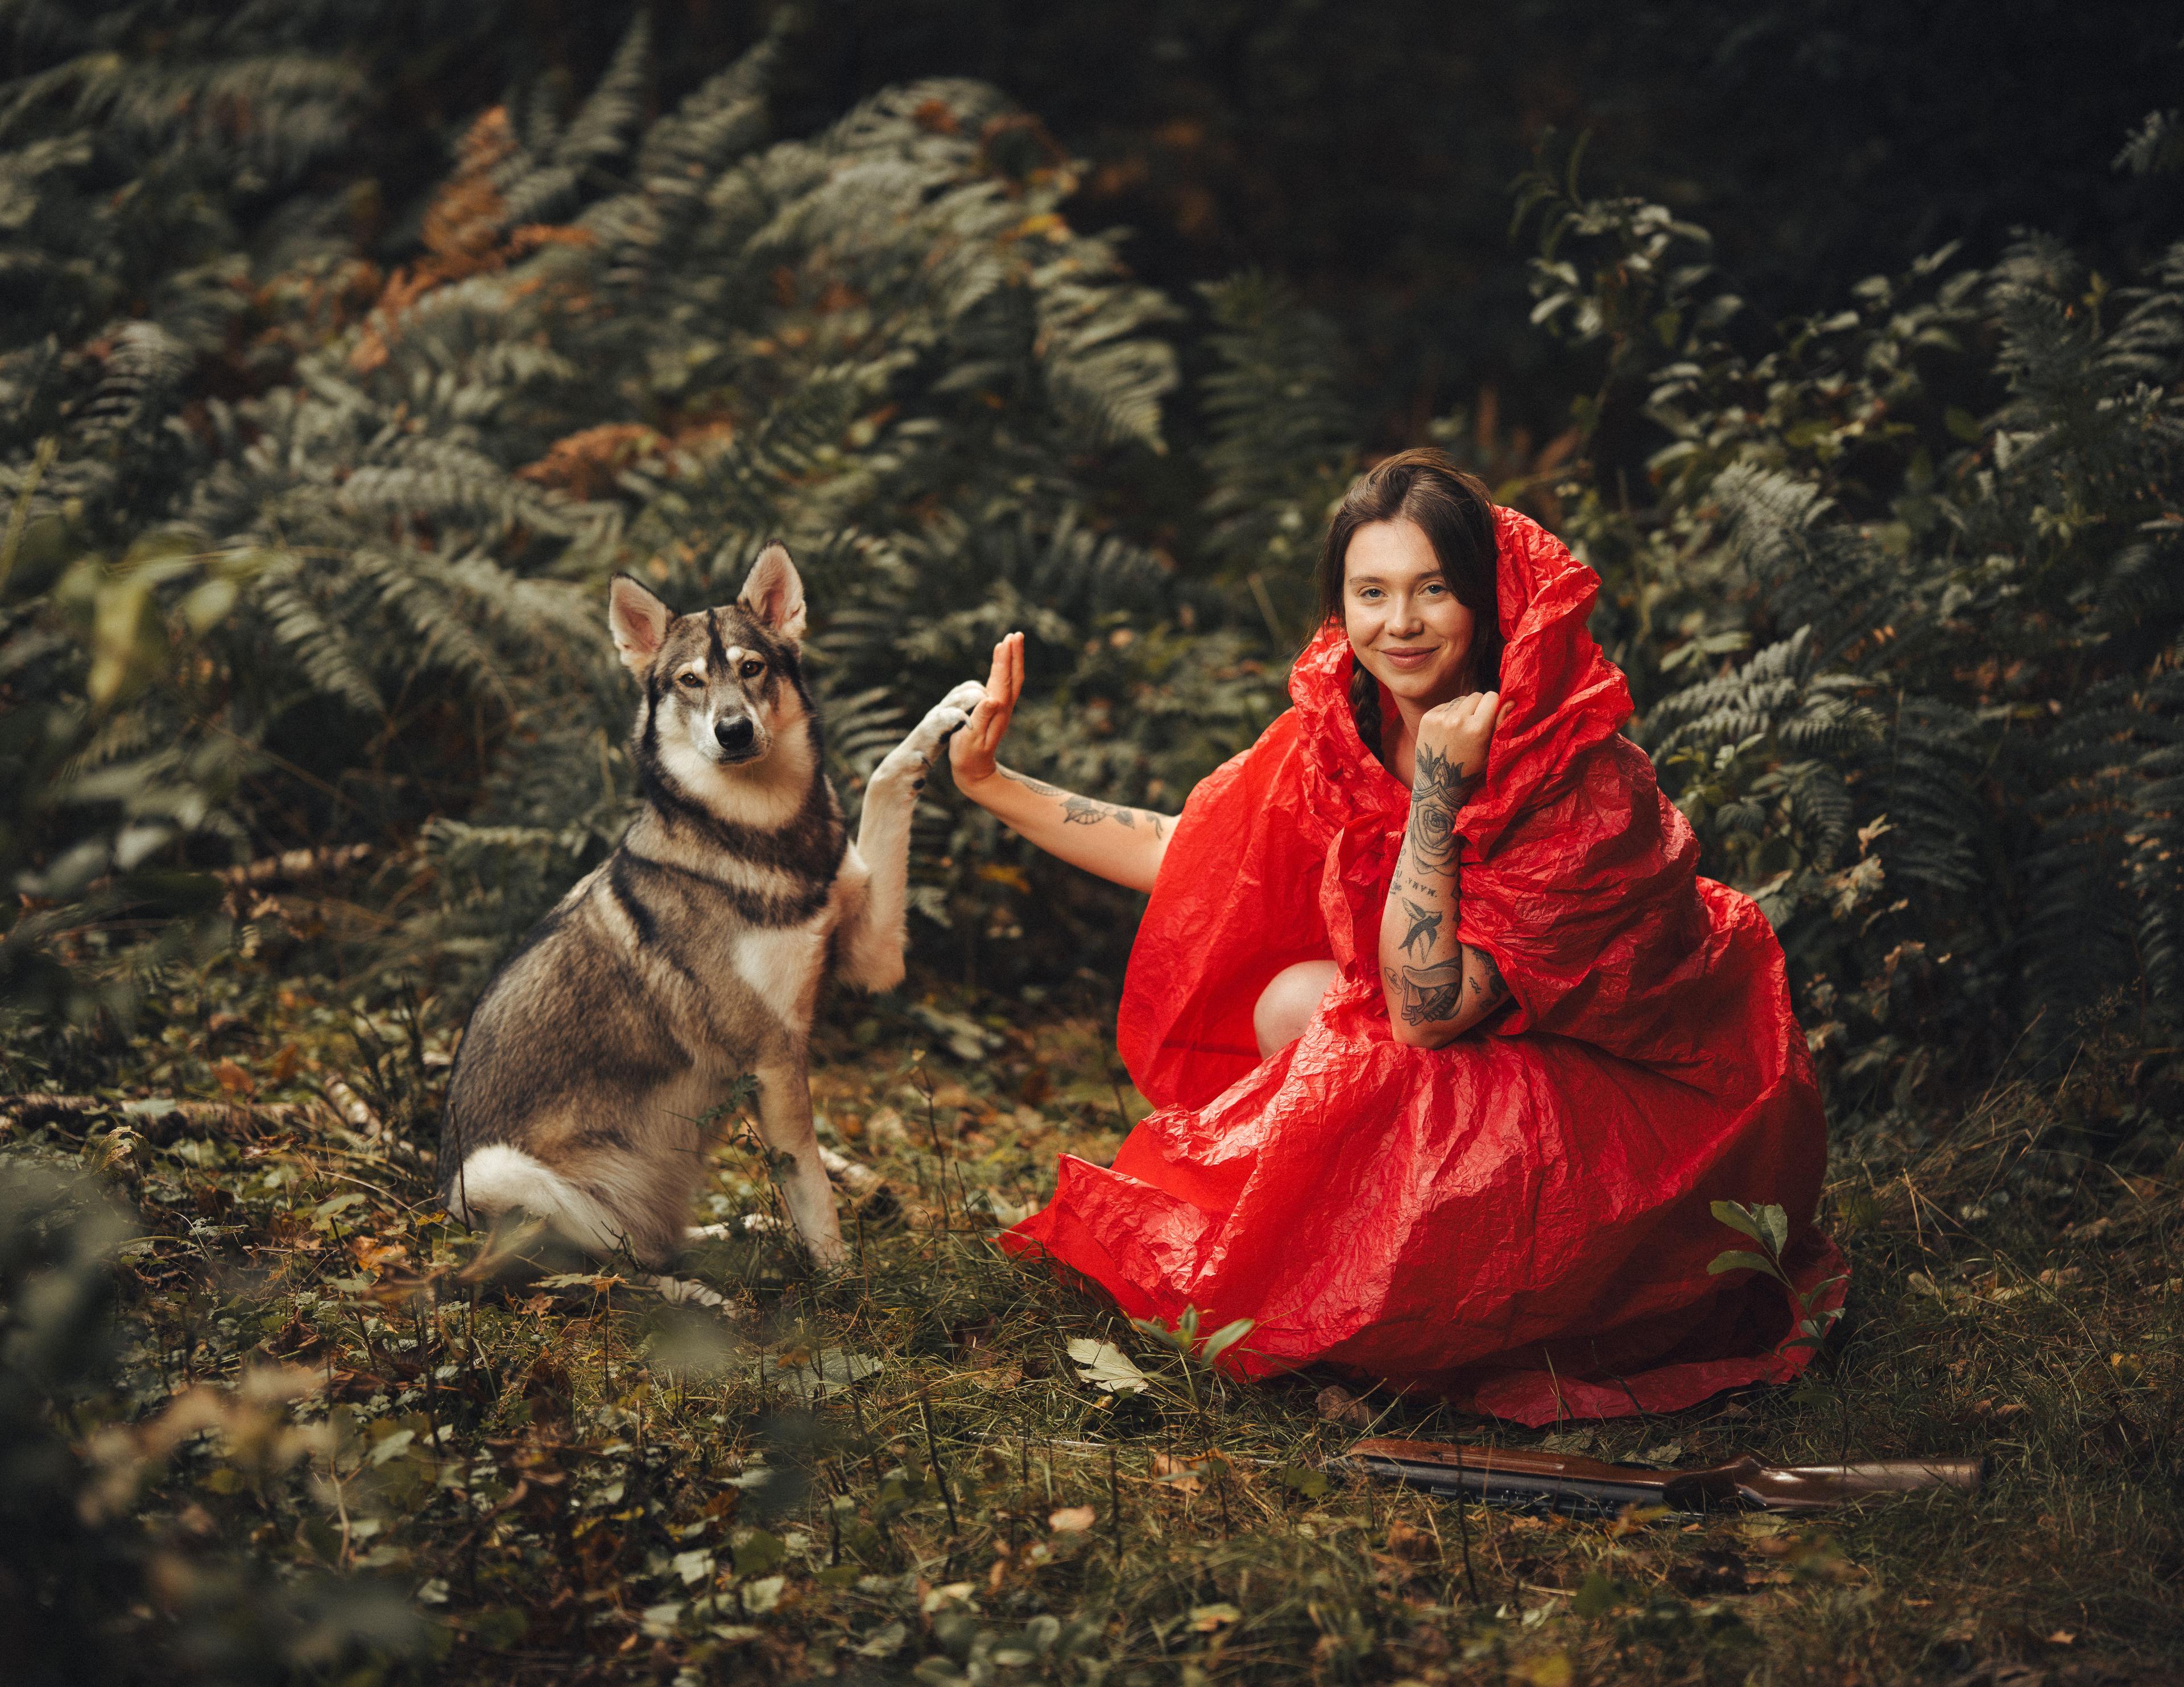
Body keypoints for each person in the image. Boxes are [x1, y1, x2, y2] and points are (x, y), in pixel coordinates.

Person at [947, 447, 1845, 1424]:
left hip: (1642, 1124)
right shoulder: (1348, 722)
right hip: (1493, 1062)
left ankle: (1457, 1326)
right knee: (1295, 1004)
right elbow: (1199, 852)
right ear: (1341, 605)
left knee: (1363, 1059)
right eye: (1370, 592)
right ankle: (1378, 1308)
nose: (1400, 624)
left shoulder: (1571, 769)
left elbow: (1424, 1013)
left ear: (1488, 600)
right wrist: (994, 785)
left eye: (1433, 590)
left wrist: (1439, 796)